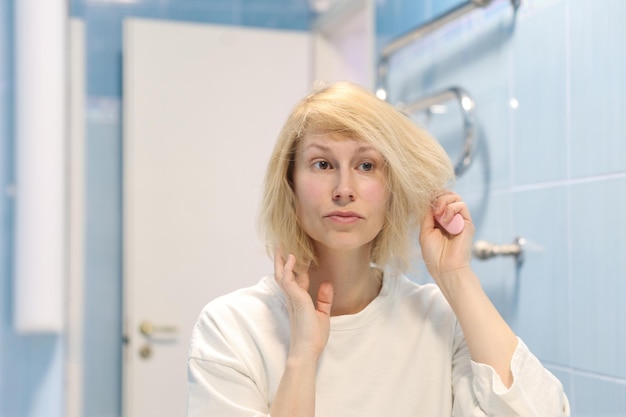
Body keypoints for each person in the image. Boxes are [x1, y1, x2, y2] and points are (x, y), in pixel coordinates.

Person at [186, 82, 570, 416]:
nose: (344, 189)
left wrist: (456, 277)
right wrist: (303, 354)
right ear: (290, 187)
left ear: (392, 188)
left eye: (367, 165)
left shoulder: (439, 318)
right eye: (322, 164)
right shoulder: (232, 327)